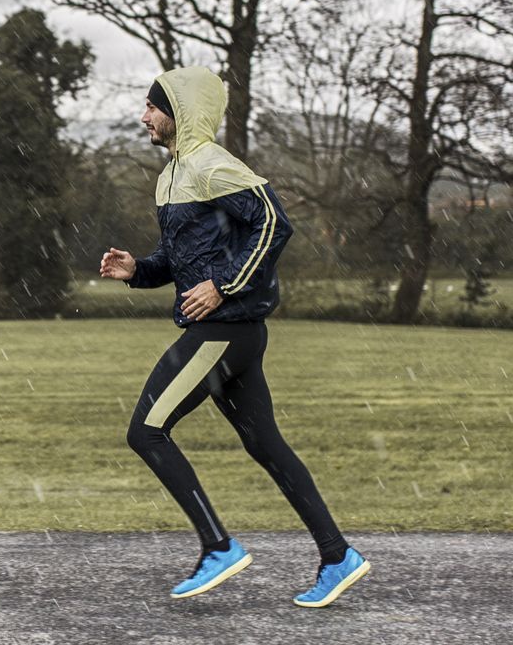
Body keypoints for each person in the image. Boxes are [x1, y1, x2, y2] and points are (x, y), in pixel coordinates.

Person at [97, 65, 369, 608]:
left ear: (179, 111)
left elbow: (274, 224)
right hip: (231, 333)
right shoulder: (172, 175)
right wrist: (140, 270)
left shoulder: (213, 164)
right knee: (266, 446)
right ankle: (338, 555)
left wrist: (224, 288)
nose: (144, 116)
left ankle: (218, 547)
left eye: (152, 106)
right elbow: (184, 259)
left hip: (222, 332)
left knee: (146, 431)